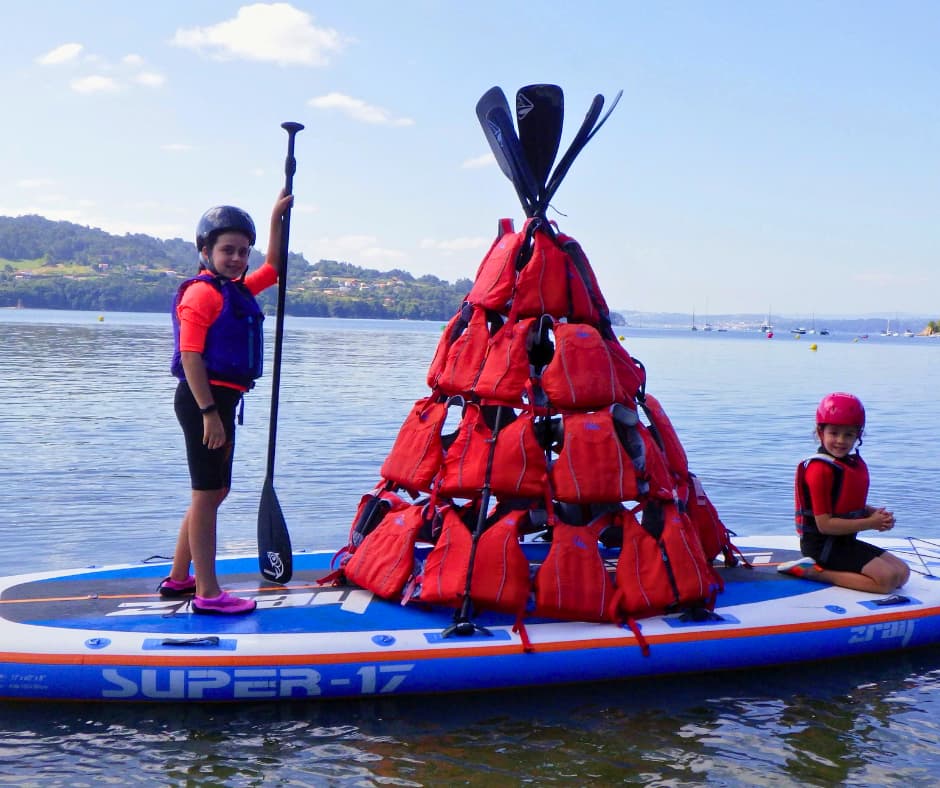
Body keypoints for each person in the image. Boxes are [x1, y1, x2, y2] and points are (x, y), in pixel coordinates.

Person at [160, 191, 294, 615]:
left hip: (220, 400)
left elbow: (274, 269)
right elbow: (190, 357)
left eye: (242, 251)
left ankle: (181, 577)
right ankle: (207, 593)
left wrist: (275, 217)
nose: (237, 258)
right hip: (204, 401)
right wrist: (208, 414)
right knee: (206, 494)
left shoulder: (233, 290)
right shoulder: (203, 295)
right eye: (227, 250)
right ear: (205, 252)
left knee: (213, 491)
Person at [779, 392, 910, 594]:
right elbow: (825, 525)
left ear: (858, 435)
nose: (841, 441)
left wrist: (875, 514)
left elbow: (845, 503)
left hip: (844, 542)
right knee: (886, 581)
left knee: (902, 573)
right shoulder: (818, 469)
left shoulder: (847, 464)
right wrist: (870, 523)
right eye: (834, 433)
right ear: (820, 432)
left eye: (848, 434)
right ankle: (814, 572)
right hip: (823, 547)